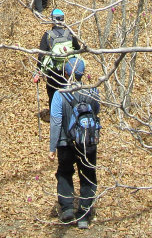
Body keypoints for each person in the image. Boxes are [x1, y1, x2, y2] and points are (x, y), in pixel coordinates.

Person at [48, 56, 100, 228]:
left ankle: (68, 209)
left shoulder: (59, 94)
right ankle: (84, 215)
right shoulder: (93, 92)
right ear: (82, 73)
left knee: (64, 173)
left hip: (65, 143)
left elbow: (55, 122)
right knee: (88, 176)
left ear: (66, 72)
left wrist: (52, 147)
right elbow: (96, 112)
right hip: (88, 142)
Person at [33, 9, 80, 113]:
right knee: (67, 94)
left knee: (53, 95)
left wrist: (37, 71)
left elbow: (41, 55)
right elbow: (78, 49)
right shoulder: (70, 34)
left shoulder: (48, 35)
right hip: (67, 71)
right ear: (63, 20)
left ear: (52, 20)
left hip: (52, 72)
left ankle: (55, 118)